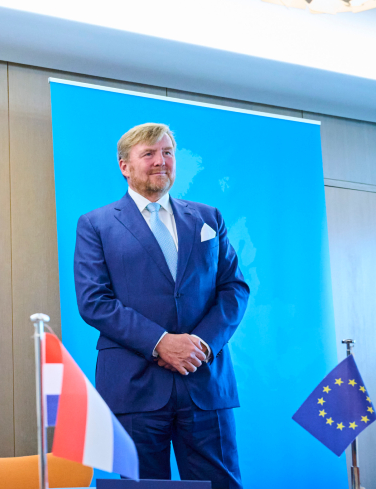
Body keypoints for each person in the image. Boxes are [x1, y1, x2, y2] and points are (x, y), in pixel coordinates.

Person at [73, 123, 249, 488]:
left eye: (167, 152)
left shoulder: (208, 218)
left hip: (205, 382)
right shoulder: (95, 224)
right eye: (149, 154)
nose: (161, 161)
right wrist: (161, 343)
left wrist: (201, 344)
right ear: (125, 165)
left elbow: (234, 288)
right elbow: (94, 301)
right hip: (135, 387)